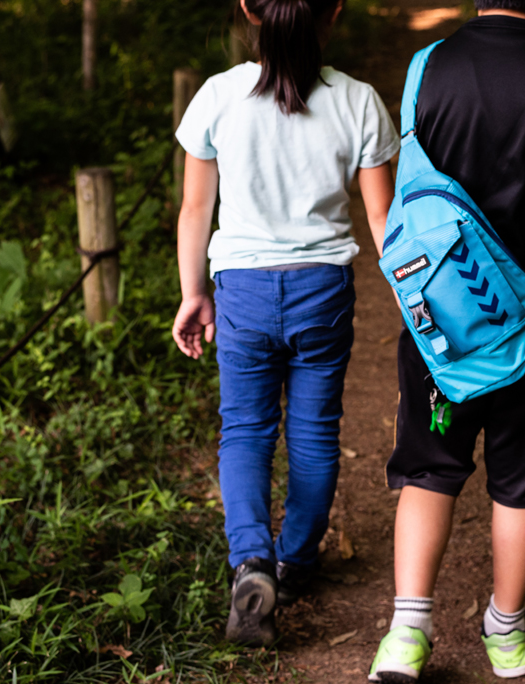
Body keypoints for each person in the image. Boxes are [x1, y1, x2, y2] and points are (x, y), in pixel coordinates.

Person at [368, 1, 525, 680]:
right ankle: (505, 631)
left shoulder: (427, 65)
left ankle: (407, 631)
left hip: (438, 327)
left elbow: (413, 195)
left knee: (428, 470)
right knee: (522, 486)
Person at [172, 0, 398, 647]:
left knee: (244, 429)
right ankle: (294, 561)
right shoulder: (358, 101)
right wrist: (418, 301)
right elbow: (383, 226)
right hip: (322, 290)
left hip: (239, 288)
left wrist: (193, 293)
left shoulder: (217, 96)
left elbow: (195, 209)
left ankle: (251, 561)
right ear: (336, 11)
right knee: (315, 431)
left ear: (249, 8)